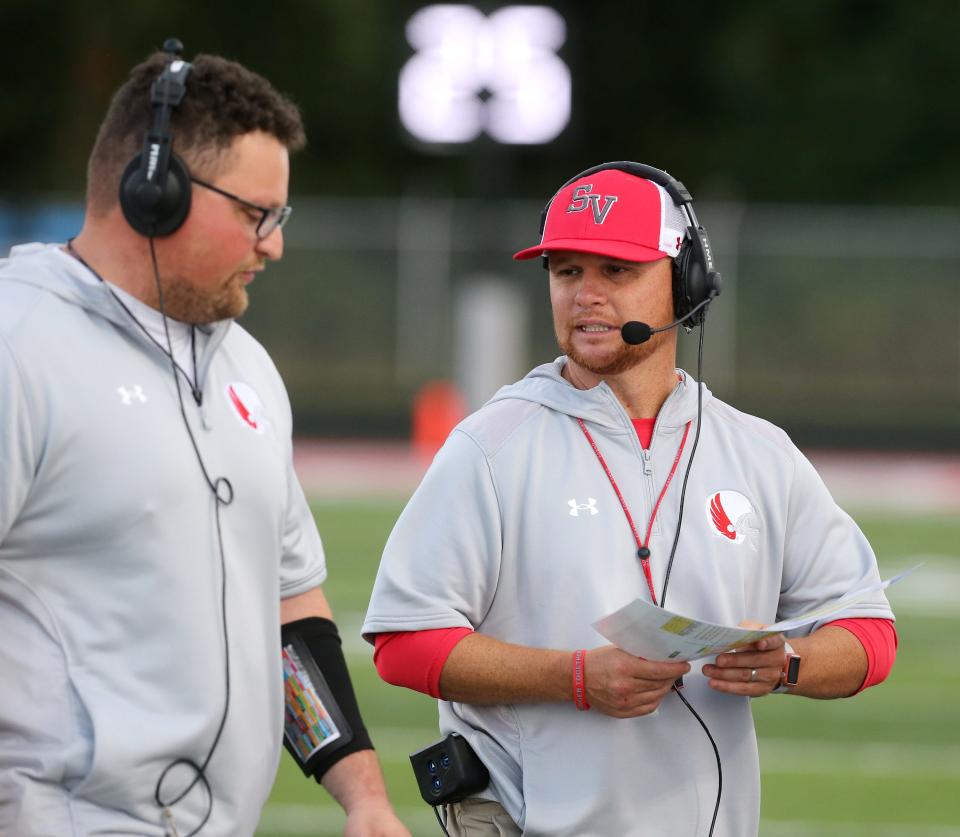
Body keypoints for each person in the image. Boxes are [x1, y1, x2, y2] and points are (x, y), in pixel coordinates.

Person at [362, 162, 898, 836]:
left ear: (685, 284)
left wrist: (791, 663)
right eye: (566, 272)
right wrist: (575, 677)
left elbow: (870, 632)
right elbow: (403, 642)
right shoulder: (489, 445)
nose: (585, 295)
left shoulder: (760, 452)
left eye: (615, 271)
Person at [0, 44, 410, 837]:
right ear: (153, 193)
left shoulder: (246, 367)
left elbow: (290, 610)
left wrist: (363, 796)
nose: (275, 245)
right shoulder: (18, 345)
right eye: (258, 214)